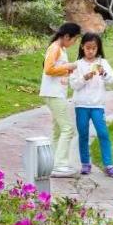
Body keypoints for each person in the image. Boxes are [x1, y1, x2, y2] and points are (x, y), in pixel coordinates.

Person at [69, 32, 113, 177]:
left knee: (103, 133)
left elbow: (112, 80)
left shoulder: (102, 63)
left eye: (94, 48)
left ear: (98, 48)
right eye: (88, 48)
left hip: (97, 106)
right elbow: (74, 85)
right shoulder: (77, 64)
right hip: (81, 106)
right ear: (82, 47)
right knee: (83, 134)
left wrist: (103, 73)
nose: (91, 51)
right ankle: (85, 163)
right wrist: (85, 77)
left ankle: (109, 165)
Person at [39, 22, 81, 177]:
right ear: (66, 36)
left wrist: (67, 71)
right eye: (74, 39)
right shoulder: (55, 48)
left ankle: (54, 163)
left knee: (58, 129)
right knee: (68, 129)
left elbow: (56, 70)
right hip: (53, 94)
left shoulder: (60, 48)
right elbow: (48, 69)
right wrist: (69, 66)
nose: (74, 42)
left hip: (56, 93)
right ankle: (60, 165)